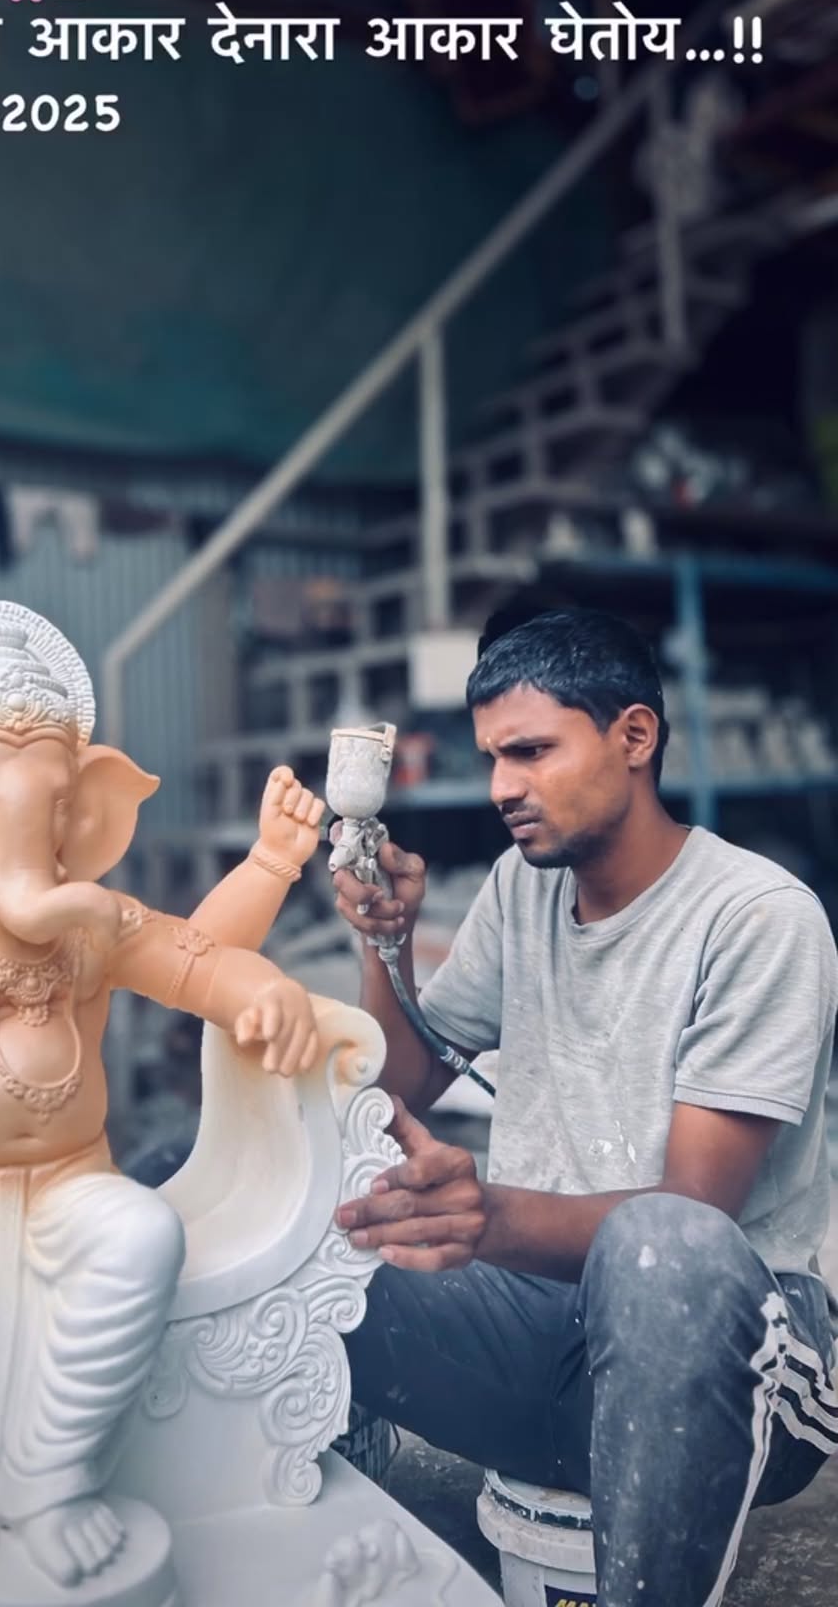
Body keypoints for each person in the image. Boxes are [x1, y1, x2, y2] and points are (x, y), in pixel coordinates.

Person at [331, 606, 838, 1607]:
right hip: (546, 1340)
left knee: (663, 1249)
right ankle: (340, 1504)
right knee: (291, 1215)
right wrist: (386, 946)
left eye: (530, 751)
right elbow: (401, 1088)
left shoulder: (758, 918)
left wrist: (486, 1217)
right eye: (492, 757)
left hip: (732, 1365)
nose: (501, 788)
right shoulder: (521, 890)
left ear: (634, 736)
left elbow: (692, 1215)